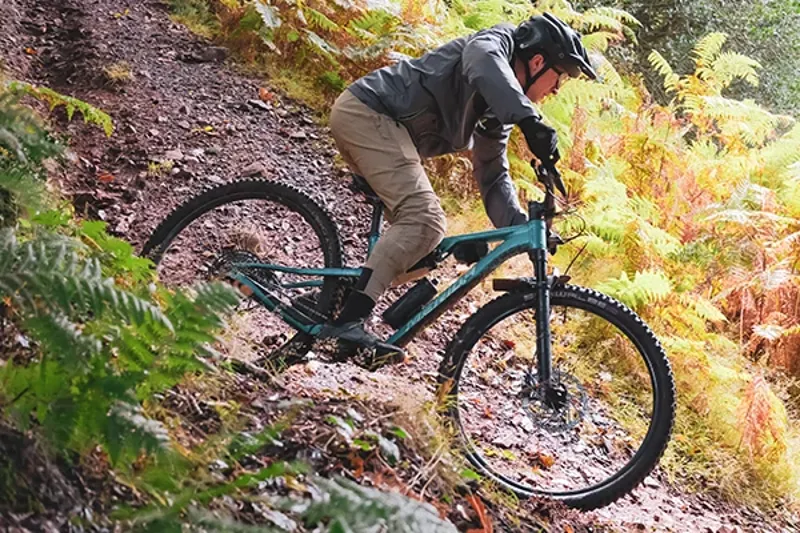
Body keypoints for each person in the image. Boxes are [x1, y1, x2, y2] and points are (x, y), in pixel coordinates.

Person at [319, 12, 597, 360]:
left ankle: (324, 305)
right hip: (369, 114)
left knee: (428, 248)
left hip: (380, 126)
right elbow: (483, 63)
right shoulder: (494, 43)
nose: (556, 90)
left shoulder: (497, 110)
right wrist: (528, 118)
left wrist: (520, 228)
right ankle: (348, 326)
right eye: (559, 79)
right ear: (538, 61)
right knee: (424, 220)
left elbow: (492, 172)